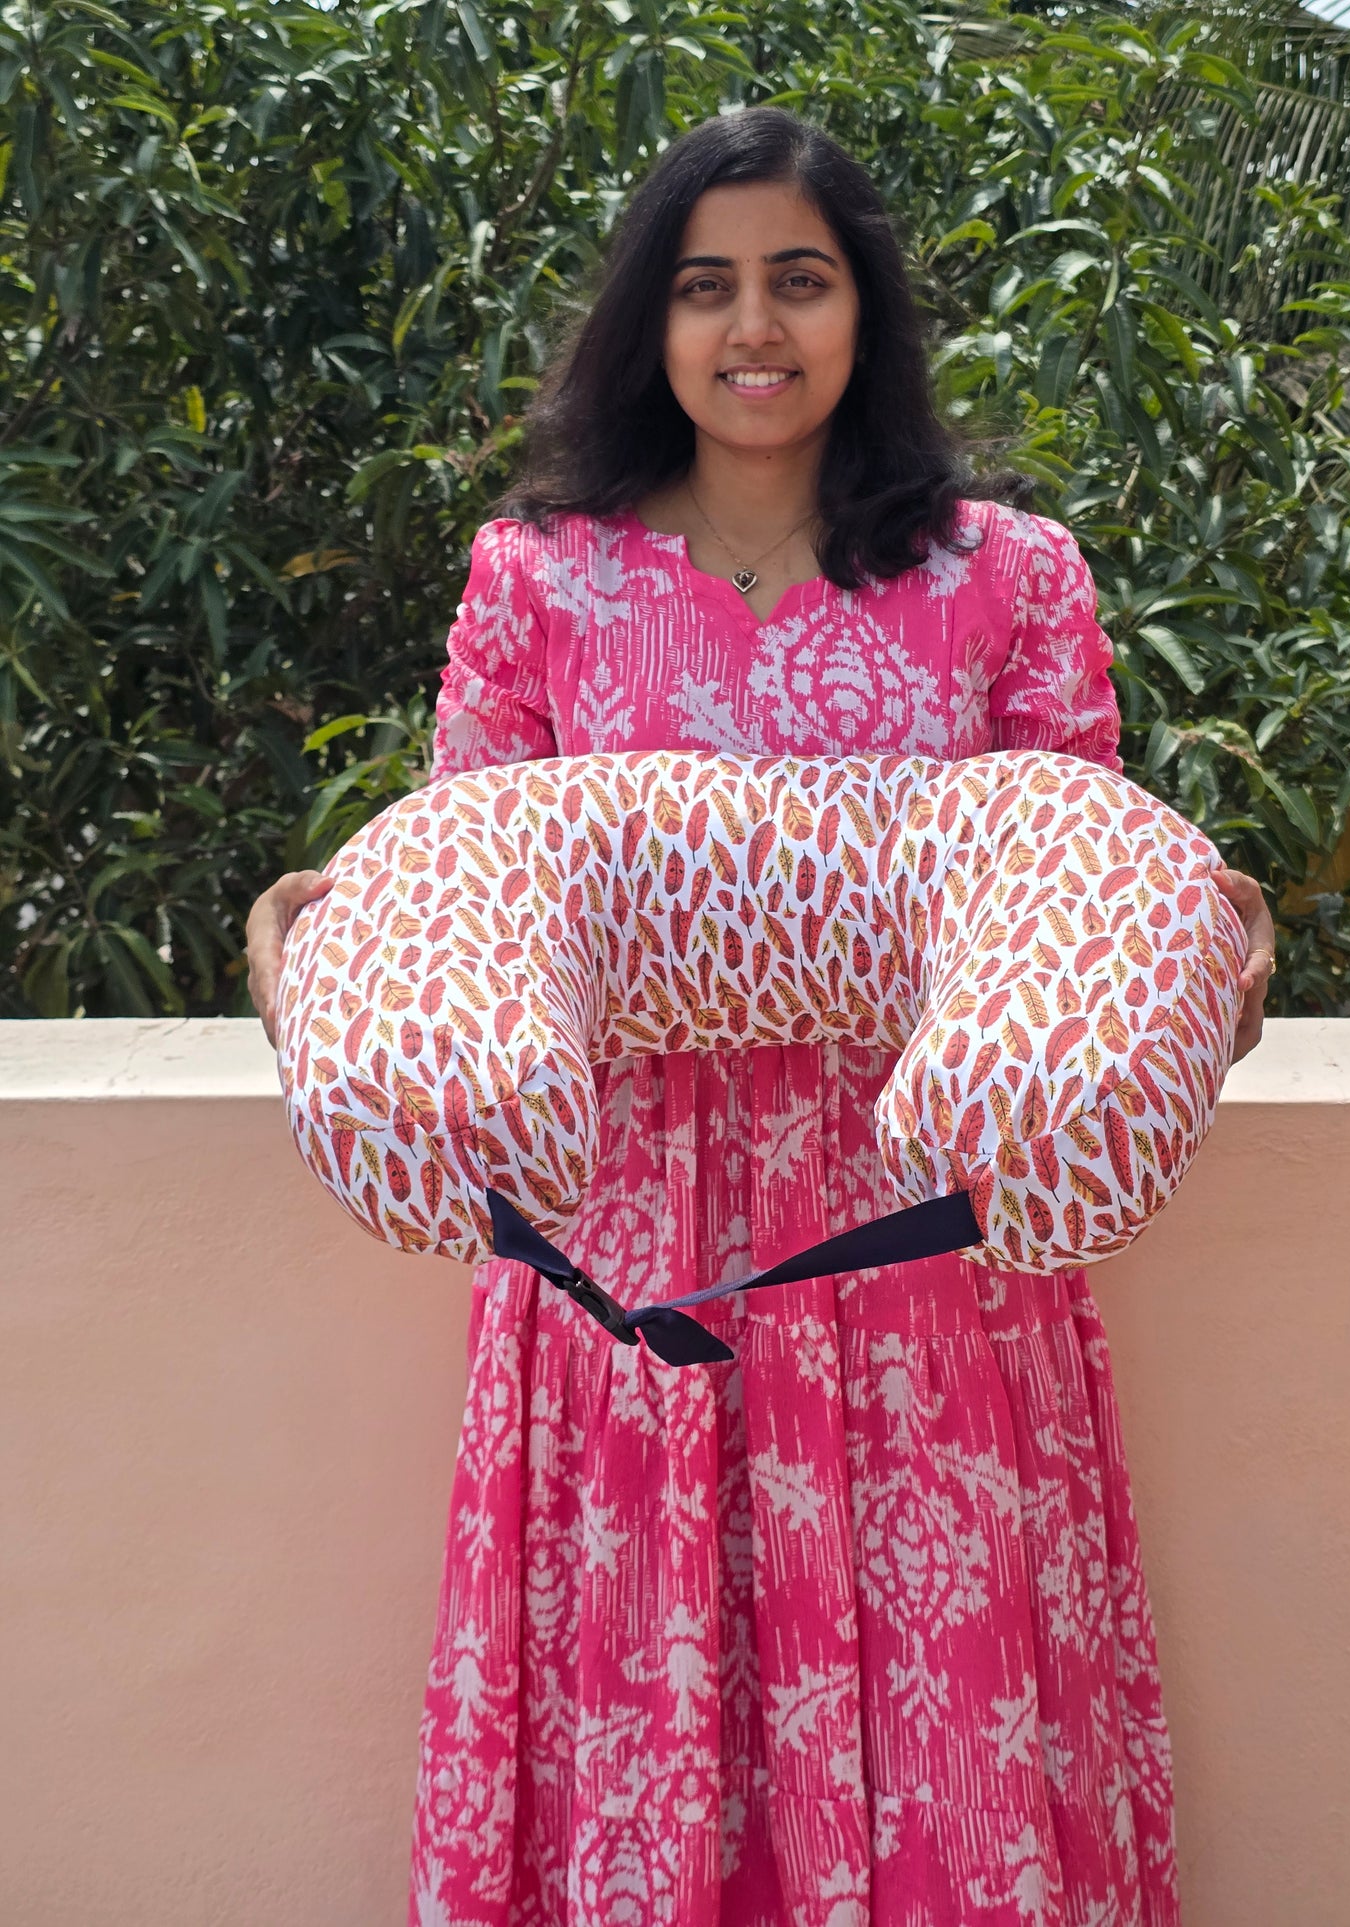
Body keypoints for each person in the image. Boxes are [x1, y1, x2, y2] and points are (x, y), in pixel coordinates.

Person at [248, 108, 1274, 1927]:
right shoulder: (537, 578)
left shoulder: (1005, 580)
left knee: (954, 1715)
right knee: (642, 1710)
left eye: (799, 281)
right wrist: (317, 957)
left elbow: (1069, 894)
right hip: (625, 1256)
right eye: (705, 286)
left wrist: (1198, 966)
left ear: (861, 311)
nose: (754, 329)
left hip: (924, 1252)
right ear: (650, 322)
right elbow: (475, 887)